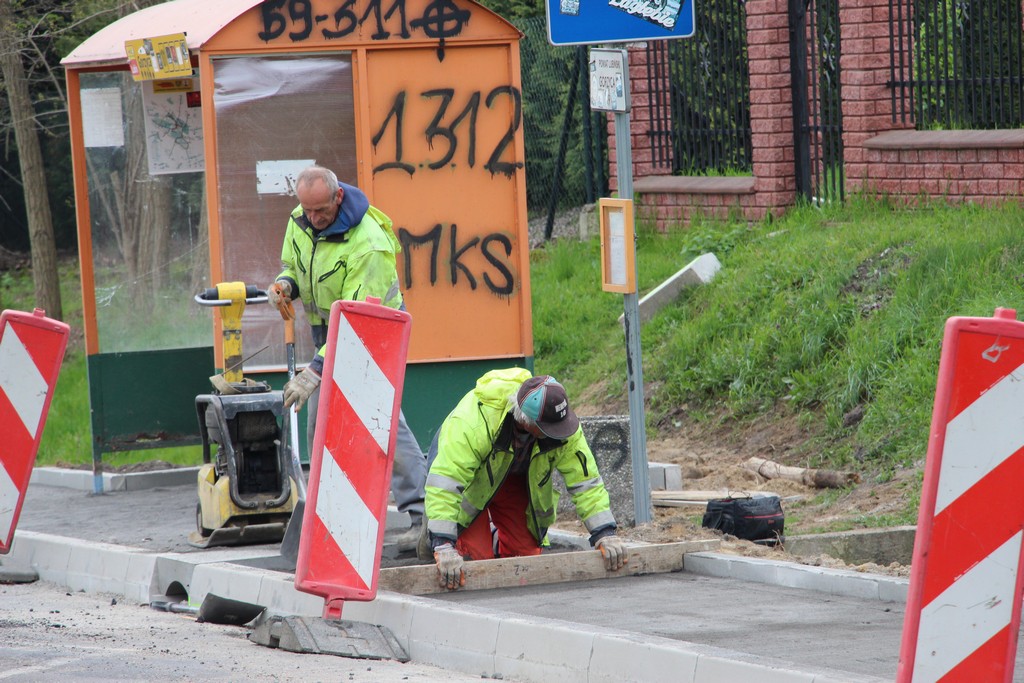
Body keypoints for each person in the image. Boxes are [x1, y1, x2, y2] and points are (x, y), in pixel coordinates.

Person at [268, 165, 426, 543]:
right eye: (307, 211)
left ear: (338, 198)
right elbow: (295, 264)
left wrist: (313, 372)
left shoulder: (368, 244)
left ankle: (425, 515)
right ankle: (330, 517)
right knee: (320, 422)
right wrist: (286, 285)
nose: (314, 219)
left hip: (373, 333)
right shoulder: (300, 220)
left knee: (381, 421)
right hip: (331, 334)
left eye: (321, 210)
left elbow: (355, 323)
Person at [423, 367, 627, 590]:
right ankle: (432, 535)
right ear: (526, 422)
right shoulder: (473, 424)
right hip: (471, 481)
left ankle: (493, 538)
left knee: (526, 561)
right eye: (550, 429)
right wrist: (443, 544)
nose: (560, 432)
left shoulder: (561, 423)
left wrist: (605, 533)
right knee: (474, 564)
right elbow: (446, 483)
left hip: (514, 478)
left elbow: (585, 481)